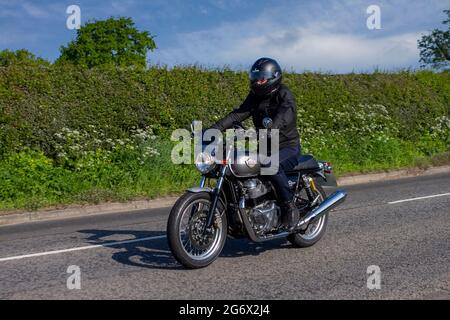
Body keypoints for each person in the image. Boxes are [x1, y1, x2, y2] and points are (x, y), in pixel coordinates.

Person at [210, 57, 301, 231]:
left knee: (269, 165)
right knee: (240, 167)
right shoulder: (255, 97)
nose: (257, 81)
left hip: (287, 147)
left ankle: (289, 207)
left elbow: (285, 113)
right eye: (255, 77)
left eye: (262, 78)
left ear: (273, 77)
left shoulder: (284, 93)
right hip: (264, 147)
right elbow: (237, 115)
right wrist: (213, 129)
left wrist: (272, 127)